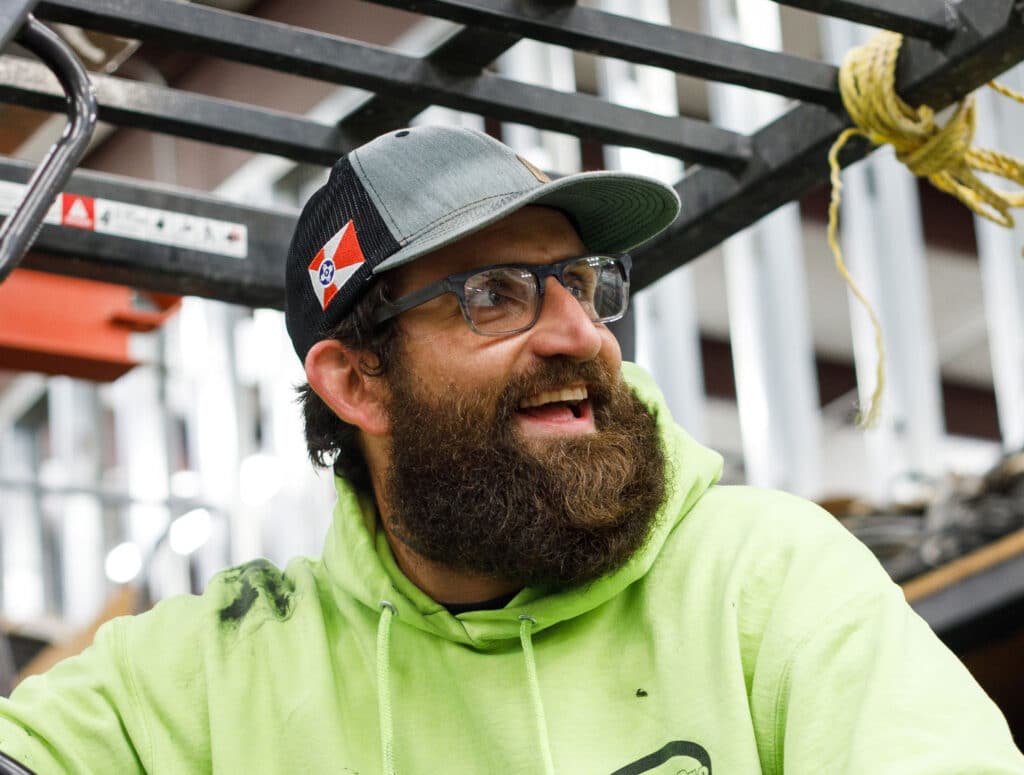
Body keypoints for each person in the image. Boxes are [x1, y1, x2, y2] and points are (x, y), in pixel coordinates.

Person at [0, 125, 1021, 775]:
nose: (578, 332)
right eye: (492, 295)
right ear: (356, 382)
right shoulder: (214, 668)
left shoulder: (765, 576)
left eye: (579, 282)